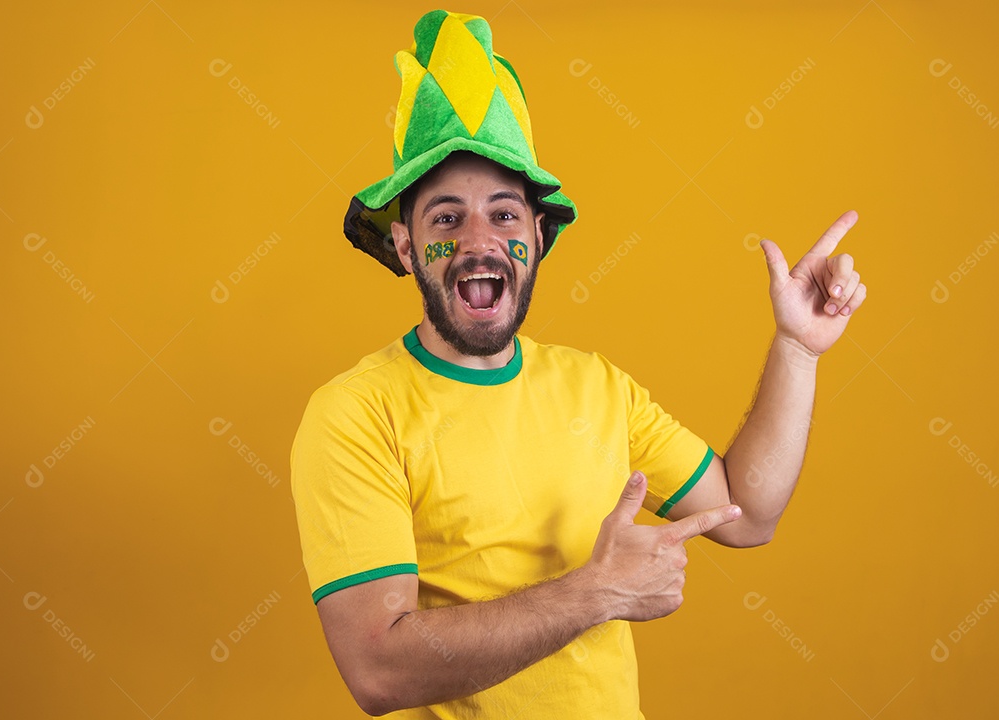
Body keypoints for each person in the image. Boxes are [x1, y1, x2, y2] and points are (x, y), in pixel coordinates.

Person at [290, 9, 866, 719]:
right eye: (445, 219)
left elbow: (748, 515)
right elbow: (379, 669)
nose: (479, 240)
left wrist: (798, 349)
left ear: (537, 235)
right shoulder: (353, 413)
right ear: (407, 248)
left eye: (504, 215)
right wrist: (600, 592)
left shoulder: (597, 387)